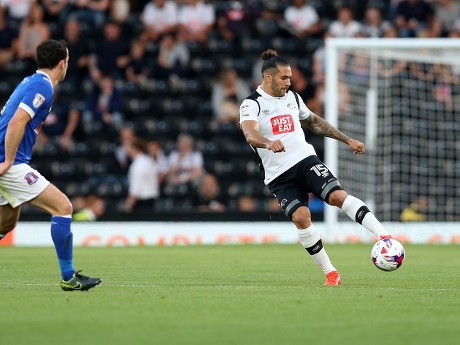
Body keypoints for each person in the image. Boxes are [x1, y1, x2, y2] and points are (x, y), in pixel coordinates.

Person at [239, 49, 392, 286]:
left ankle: (385, 237)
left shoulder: (293, 98)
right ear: (268, 78)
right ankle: (331, 273)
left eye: (290, 77)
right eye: (284, 78)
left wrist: (347, 139)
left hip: (304, 160)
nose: (289, 82)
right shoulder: (252, 104)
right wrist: (268, 143)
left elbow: (313, 122)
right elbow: (250, 134)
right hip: (278, 174)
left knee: (337, 196)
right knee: (301, 217)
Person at [0, 39, 101, 291]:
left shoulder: (30, 81)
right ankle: (69, 277)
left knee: (7, 222)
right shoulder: (42, 86)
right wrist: (8, 161)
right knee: (63, 207)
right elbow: (15, 123)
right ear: (62, 63)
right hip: (8, 162)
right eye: (67, 60)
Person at [122, 137, 159, 213]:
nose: (127, 150)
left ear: (135, 149)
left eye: (129, 147)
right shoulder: (147, 160)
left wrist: (128, 205)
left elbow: (136, 188)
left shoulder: (138, 164)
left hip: (142, 202)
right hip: (151, 201)